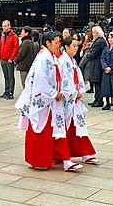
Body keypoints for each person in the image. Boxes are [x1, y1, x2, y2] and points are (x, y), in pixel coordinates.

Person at [15, 32, 83, 171]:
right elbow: (40, 81)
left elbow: (63, 77)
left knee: (57, 128)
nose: (59, 45)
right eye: (56, 42)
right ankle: (41, 159)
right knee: (44, 130)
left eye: (59, 42)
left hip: (53, 100)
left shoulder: (53, 58)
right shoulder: (42, 59)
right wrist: (53, 93)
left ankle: (64, 159)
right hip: (46, 101)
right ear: (47, 43)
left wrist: (63, 91)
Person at [58, 37, 100, 165]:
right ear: (66, 47)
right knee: (67, 127)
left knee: (79, 126)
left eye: (77, 46)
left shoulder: (71, 61)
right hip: (68, 99)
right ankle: (65, 156)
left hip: (75, 98)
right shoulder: (62, 61)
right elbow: (64, 81)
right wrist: (73, 93)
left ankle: (85, 153)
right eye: (74, 46)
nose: (76, 49)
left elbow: (79, 77)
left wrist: (81, 90)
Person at [0, 20, 20, 100]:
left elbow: (16, 48)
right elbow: (0, 47)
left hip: (9, 60)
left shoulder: (14, 36)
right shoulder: (2, 36)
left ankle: (11, 92)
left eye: (6, 26)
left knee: (11, 76)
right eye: (3, 26)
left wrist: (12, 58)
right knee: (6, 76)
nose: (5, 28)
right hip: (3, 59)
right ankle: (6, 91)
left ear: (9, 26)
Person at [87, 26, 107, 107]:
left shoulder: (99, 41)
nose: (93, 34)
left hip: (97, 65)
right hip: (96, 64)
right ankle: (96, 99)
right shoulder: (99, 40)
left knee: (98, 83)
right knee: (96, 84)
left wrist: (88, 55)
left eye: (94, 32)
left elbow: (94, 54)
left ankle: (99, 100)